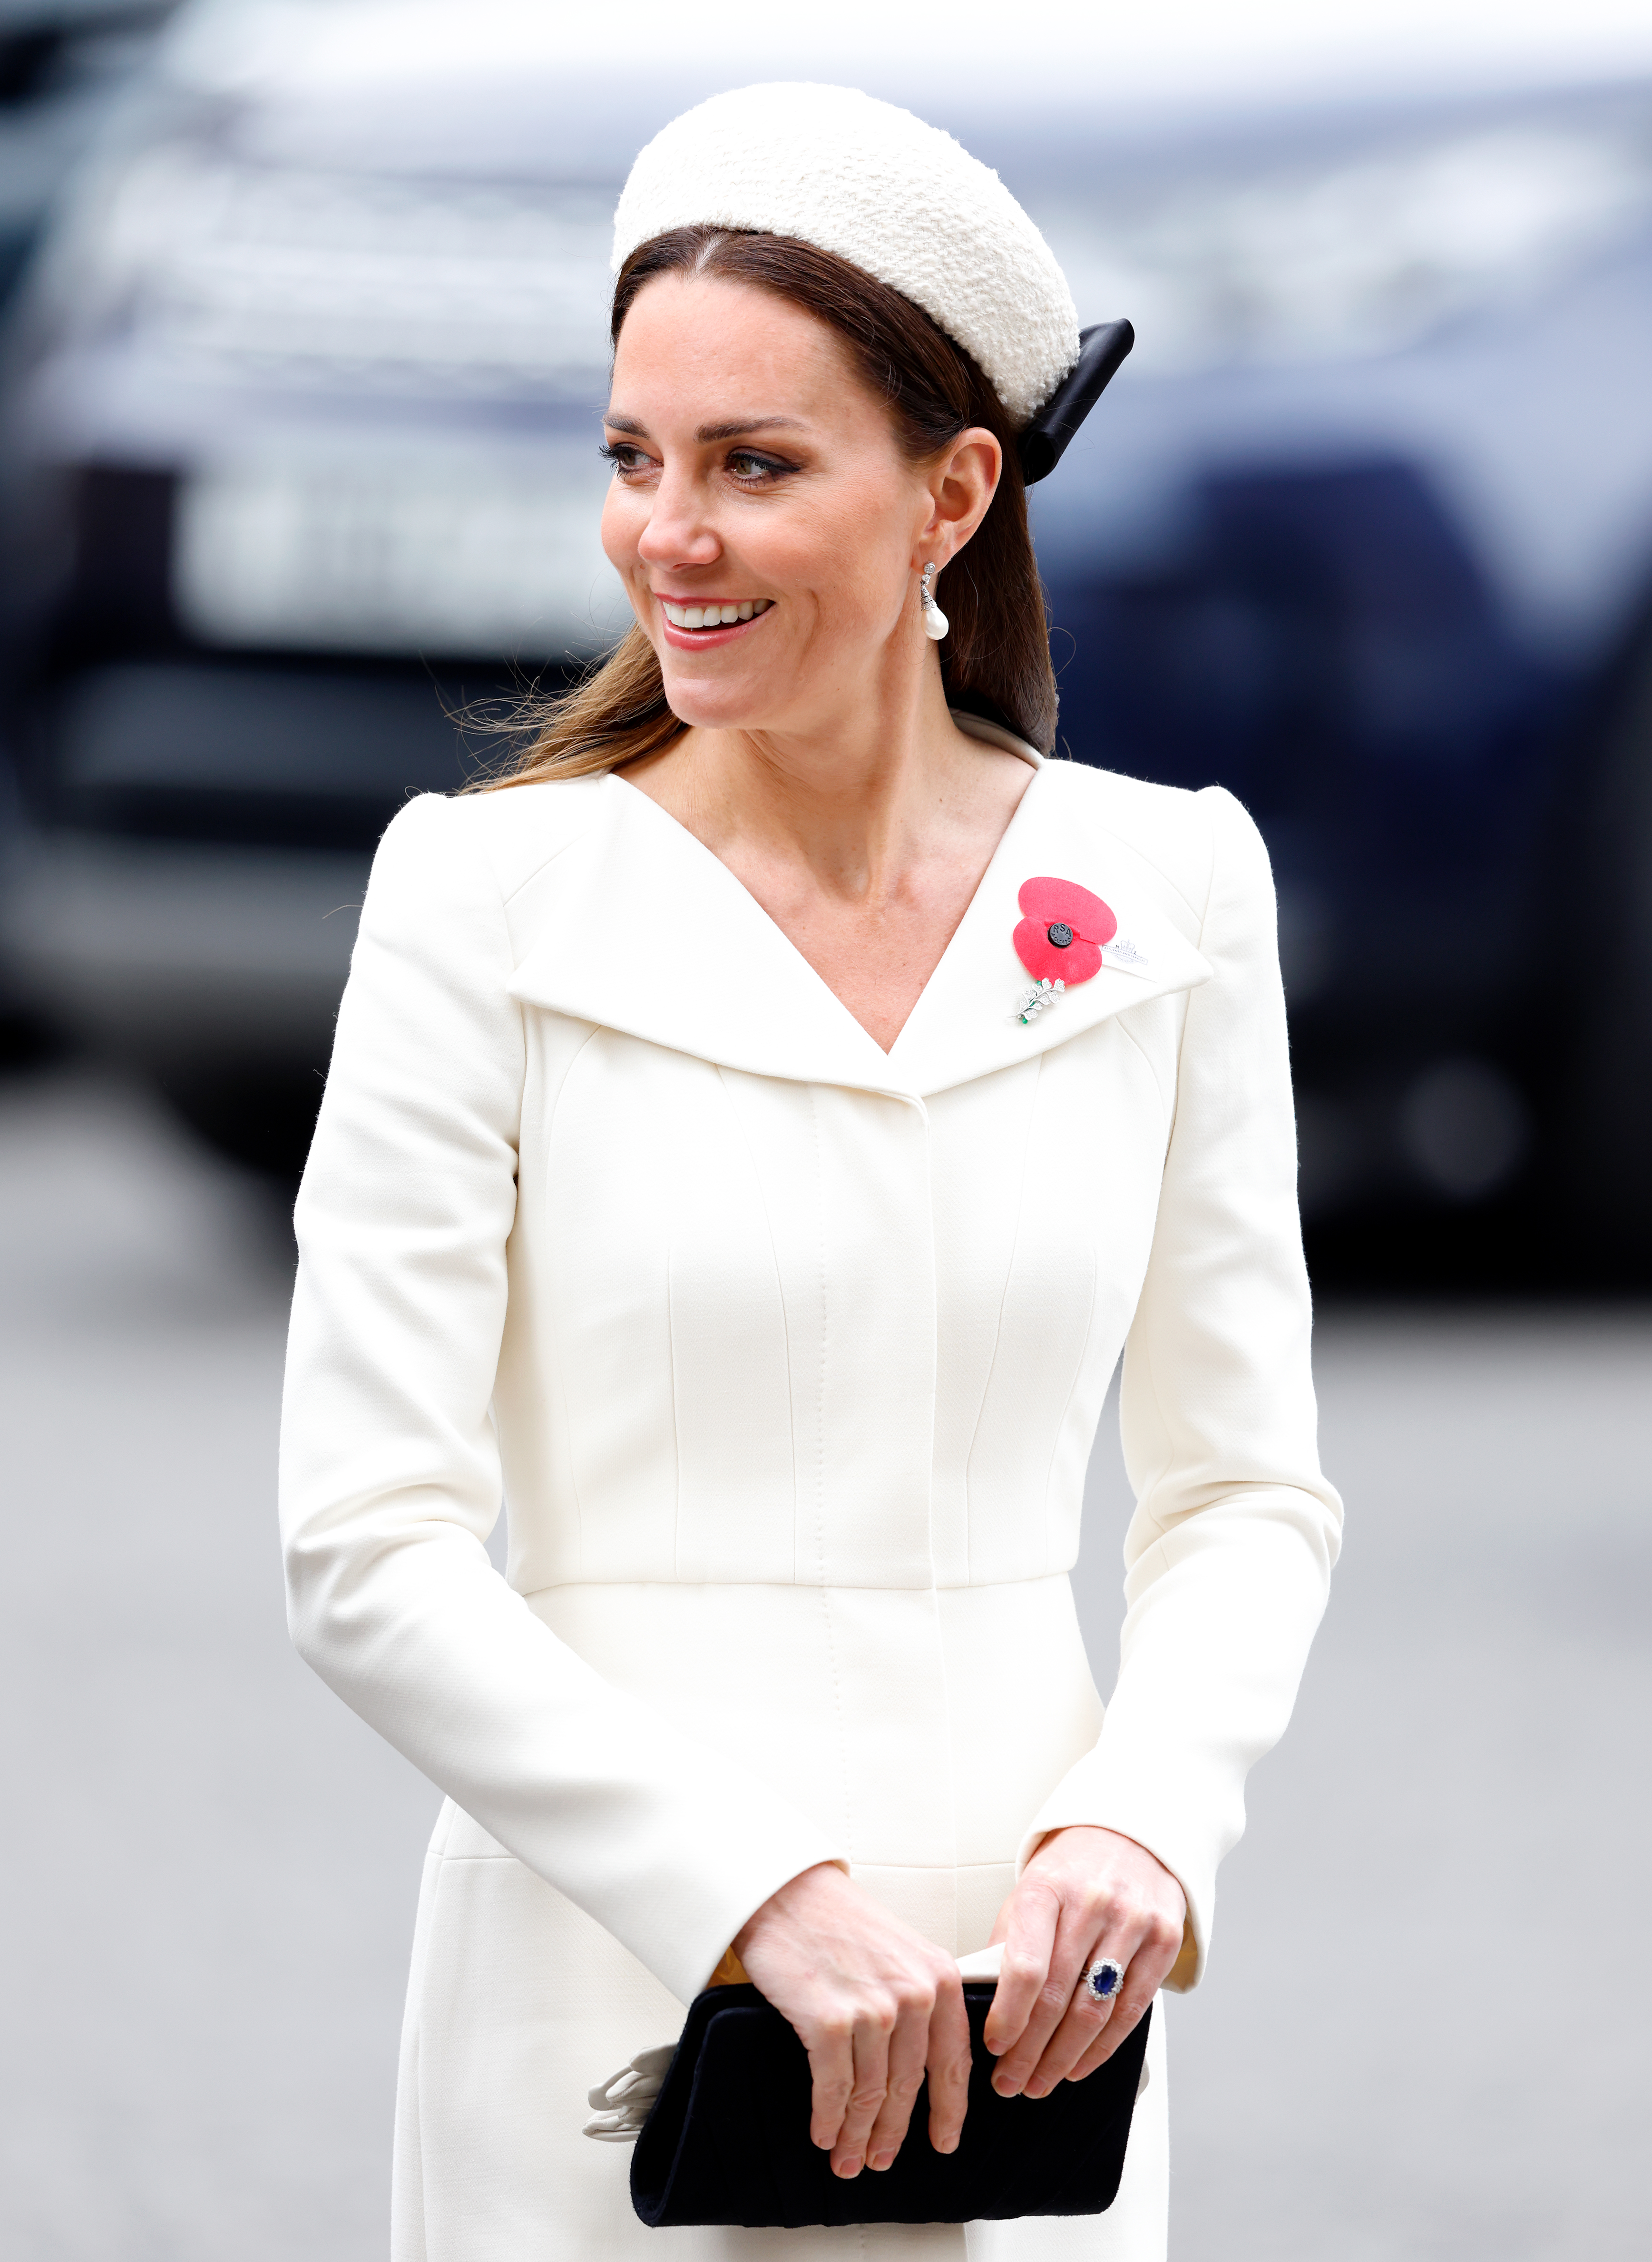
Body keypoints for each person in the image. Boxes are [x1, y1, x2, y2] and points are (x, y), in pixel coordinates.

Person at [279, 82, 1342, 2262]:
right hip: (612, 1979)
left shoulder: (1167, 890)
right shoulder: (482, 900)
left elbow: (1242, 1490)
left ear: (953, 494)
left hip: (1032, 2007)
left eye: (751, 466)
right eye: (631, 458)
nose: (665, 534)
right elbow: (363, 1547)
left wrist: (1146, 1822)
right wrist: (743, 1889)